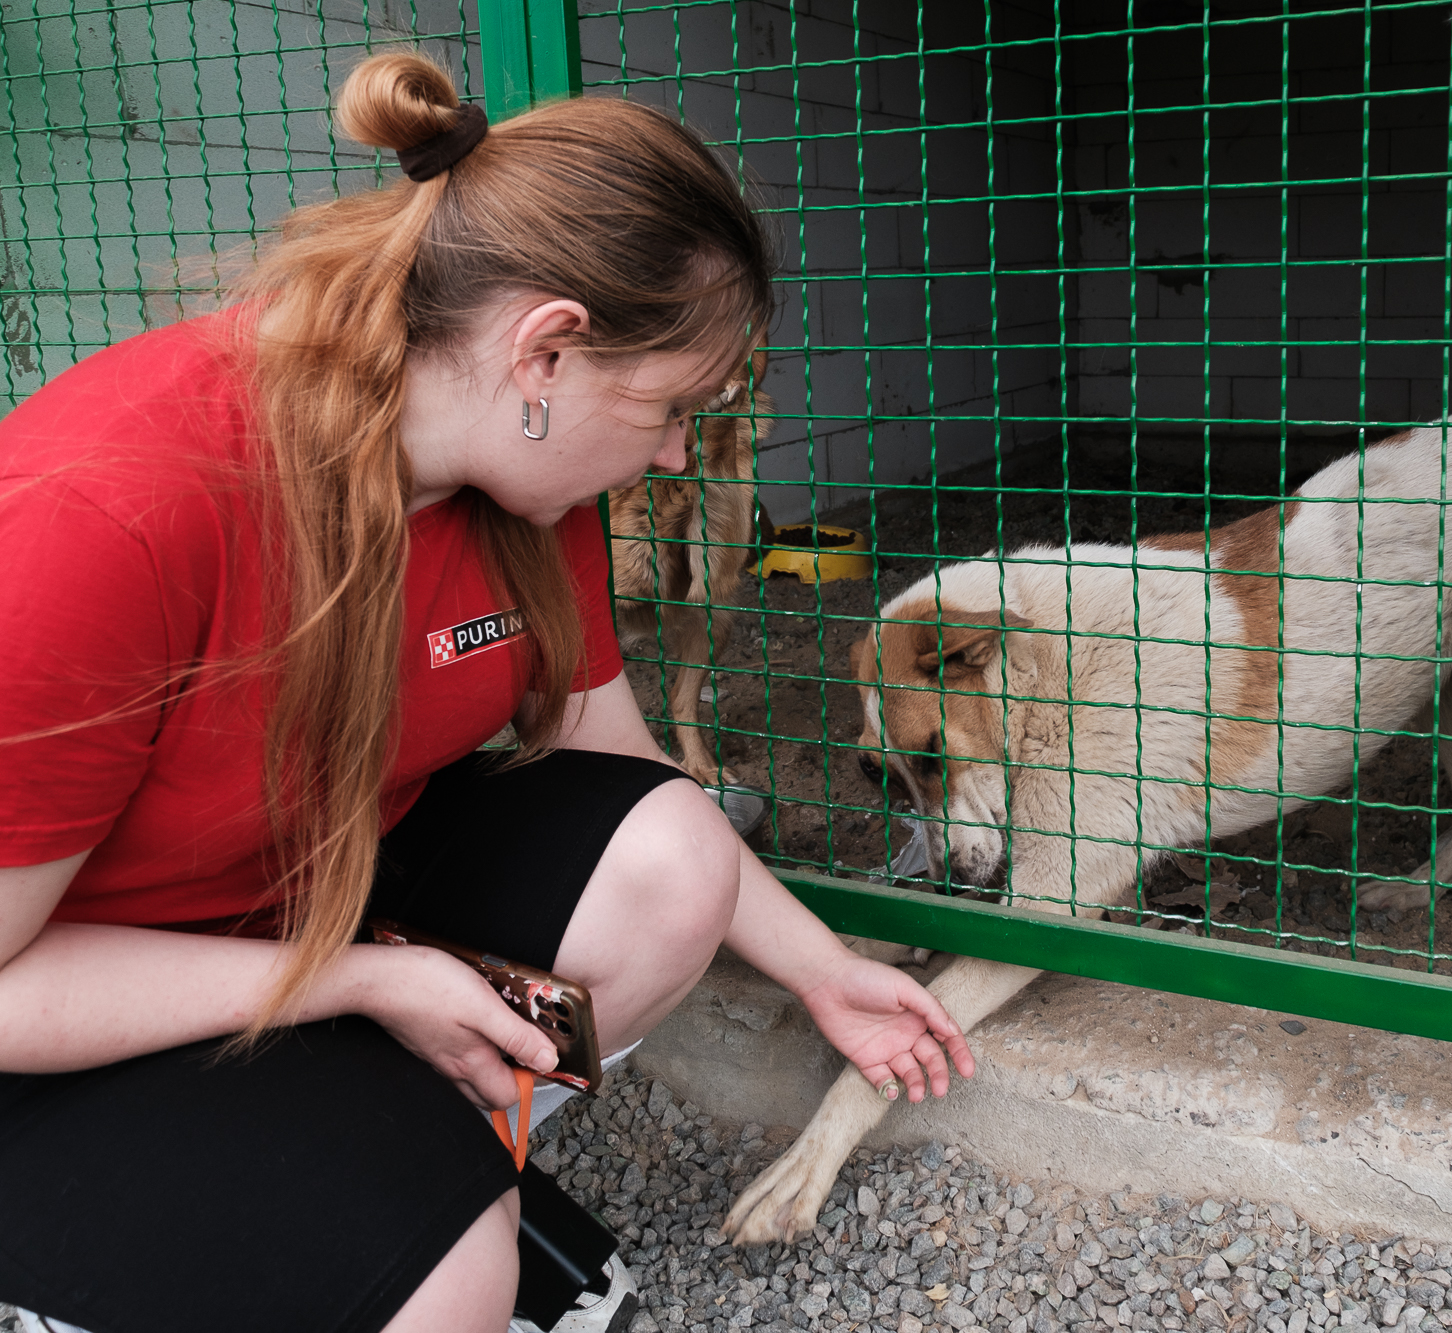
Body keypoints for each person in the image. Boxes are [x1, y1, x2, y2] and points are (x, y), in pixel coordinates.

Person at [0, 51, 972, 1333]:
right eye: (673, 408)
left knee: (670, 857)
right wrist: (350, 979)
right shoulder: (107, 513)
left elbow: (619, 768)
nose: (679, 453)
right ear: (546, 351)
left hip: (296, 909)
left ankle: (385, 1178)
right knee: (456, 1280)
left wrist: (821, 968)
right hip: (60, 1021)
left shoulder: (517, 471)